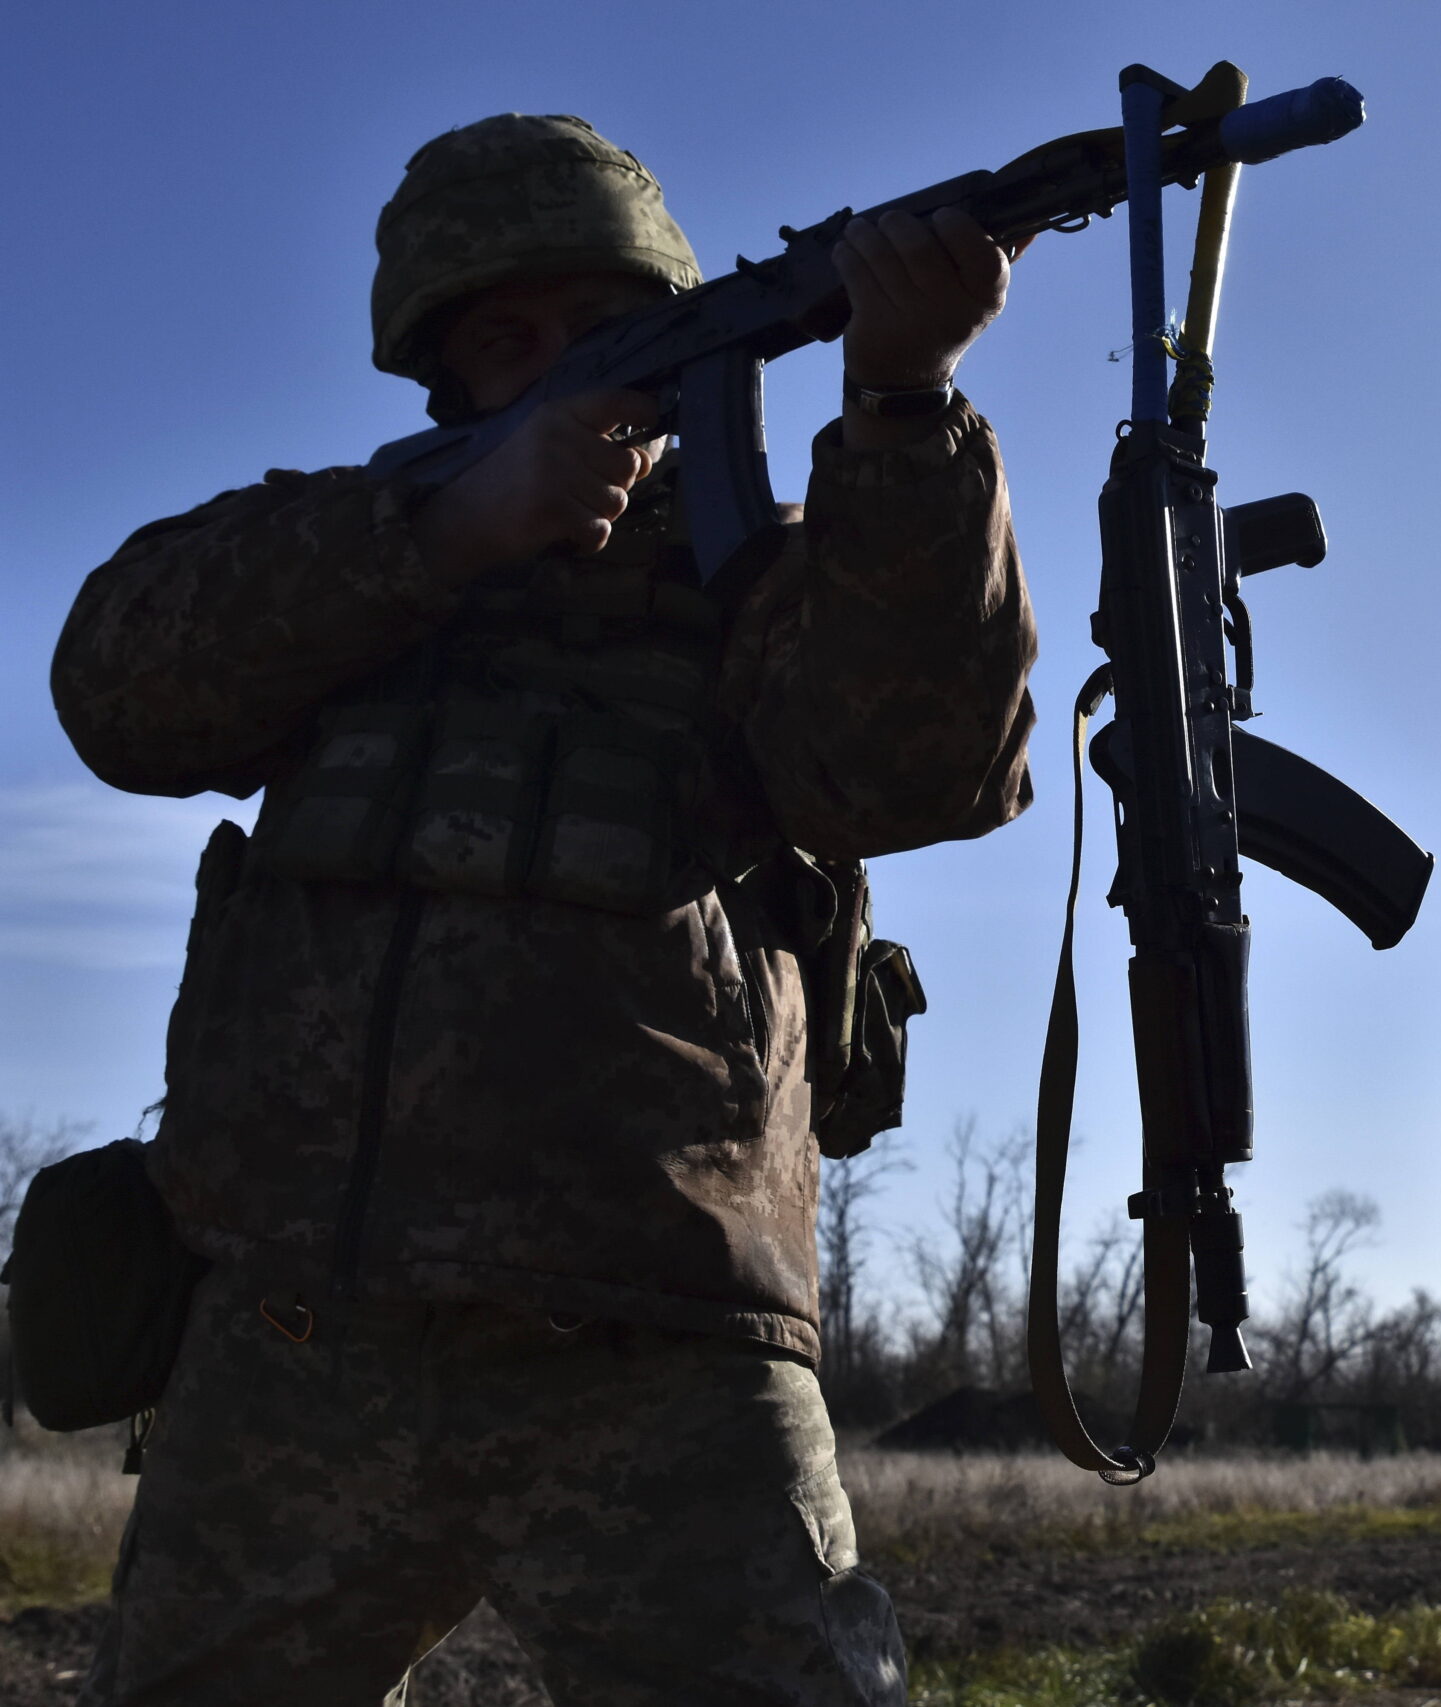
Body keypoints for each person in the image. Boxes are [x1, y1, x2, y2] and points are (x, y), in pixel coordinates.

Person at [50, 113, 1037, 1704]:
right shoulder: (348, 557)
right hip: (301, 1330)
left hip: (665, 1348)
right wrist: (443, 531)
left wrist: (905, 402)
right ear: (446, 383)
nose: (562, 368)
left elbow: (917, 769)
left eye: (597, 330)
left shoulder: (768, 584)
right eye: (509, 343)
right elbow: (114, 683)